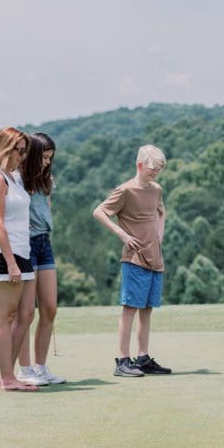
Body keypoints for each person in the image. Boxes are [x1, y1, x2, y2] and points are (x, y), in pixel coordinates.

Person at [93, 144, 171, 377]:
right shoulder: (125, 190)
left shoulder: (156, 189)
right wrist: (122, 235)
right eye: (151, 169)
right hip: (134, 258)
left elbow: (160, 210)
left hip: (155, 257)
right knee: (130, 309)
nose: (155, 174)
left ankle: (143, 357)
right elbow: (99, 211)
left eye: (158, 170)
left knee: (147, 309)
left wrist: (160, 232)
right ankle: (123, 361)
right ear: (139, 165)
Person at [15, 133, 66, 386]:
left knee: (50, 307)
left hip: (45, 243)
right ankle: (24, 369)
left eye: (50, 158)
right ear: (34, 154)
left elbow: (47, 208)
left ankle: (41, 367)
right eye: (44, 157)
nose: (47, 162)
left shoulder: (47, 181)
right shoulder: (17, 180)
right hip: (25, 245)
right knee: (26, 312)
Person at [0, 127, 38, 391]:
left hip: (23, 252)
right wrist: (10, 262)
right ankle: (8, 378)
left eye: (24, 151)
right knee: (5, 315)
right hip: (5, 254)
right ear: (5, 147)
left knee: (24, 313)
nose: (22, 155)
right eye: (18, 150)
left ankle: (7, 375)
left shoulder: (15, 178)